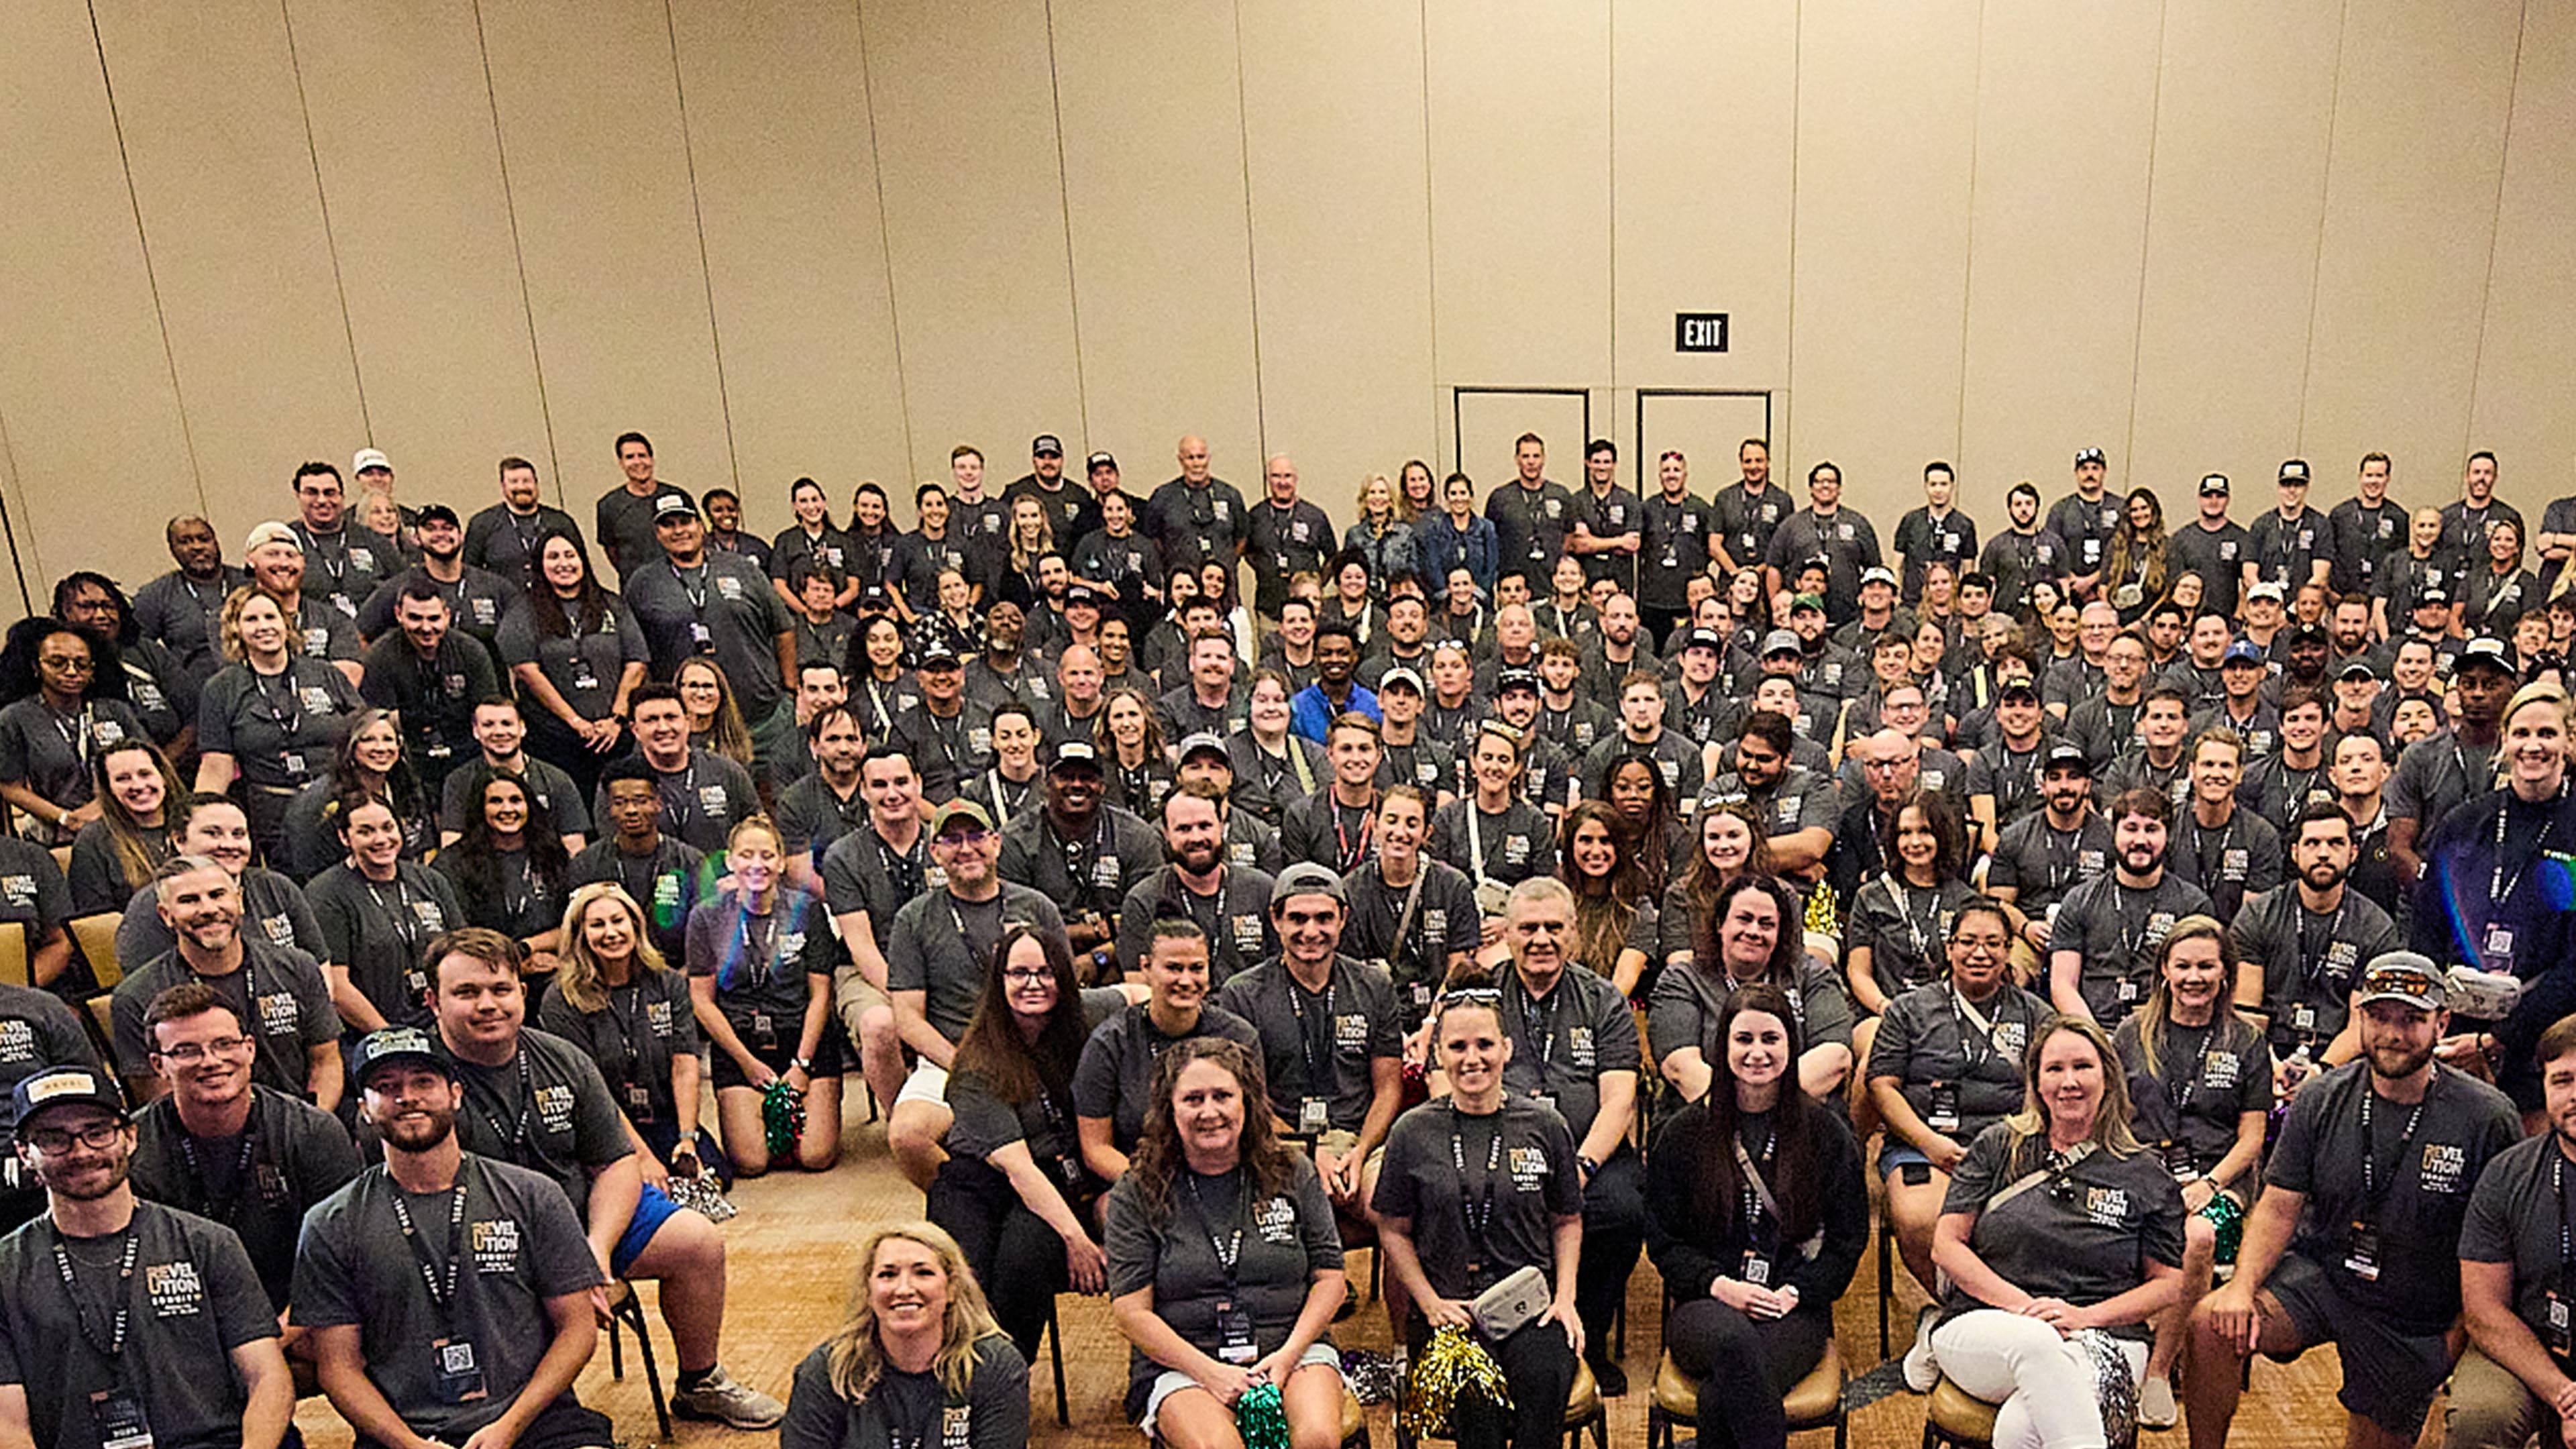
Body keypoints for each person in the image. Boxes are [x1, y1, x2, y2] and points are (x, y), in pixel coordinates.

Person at [429, 926, 785, 1427]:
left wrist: (595, 1252)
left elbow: (616, 1163)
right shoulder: (419, 1079)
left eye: (500, 989)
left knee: (698, 1242)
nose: (488, 1005)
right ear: (434, 1001)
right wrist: (559, 1269)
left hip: (583, 1220)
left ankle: (700, 1382)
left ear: (522, 993)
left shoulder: (562, 1060)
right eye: (467, 992)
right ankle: (524, 1412)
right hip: (482, 1240)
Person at [2184, 953, 2520, 1449]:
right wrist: (2241, 1286)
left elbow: (2498, 1249)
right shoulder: (2321, 1098)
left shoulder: (2488, 1118)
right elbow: (2278, 1206)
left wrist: (2455, 1338)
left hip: (2415, 1311)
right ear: (2360, 1017)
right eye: (2380, 1017)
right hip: (2325, 1278)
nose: (2393, 1034)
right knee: (2211, 1325)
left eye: (2411, 1019)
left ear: (2442, 1023)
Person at [293, 1026, 612, 1449]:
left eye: (424, 1082)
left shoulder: (533, 1195)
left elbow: (577, 1330)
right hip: (402, 1432)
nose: (408, 1097)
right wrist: (411, 1445)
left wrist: (509, 1426)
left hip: (535, 1419)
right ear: (364, 1109)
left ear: (456, 1094)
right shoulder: (330, 1223)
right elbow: (339, 1369)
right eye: (386, 1087)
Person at [1911, 1016, 2186, 1448]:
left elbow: (2168, 1284)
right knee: (2036, 1345)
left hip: (2105, 1337)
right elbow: (1946, 1247)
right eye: (2055, 1069)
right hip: (1987, 1324)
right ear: (2037, 1083)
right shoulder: (1998, 1146)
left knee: (2020, 1429)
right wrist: (2028, 1310)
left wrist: (2085, 1318)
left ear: (2108, 1078)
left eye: (2083, 1067)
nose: (2069, 1082)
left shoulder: (2146, 1174)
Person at [0, 1062, 293, 1449]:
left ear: (130, 1137)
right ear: (25, 1153)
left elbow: (268, 1379)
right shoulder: (7, 1269)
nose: (81, 1152)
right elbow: (7, 1424)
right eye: (54, 1139)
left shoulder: (209, 1243)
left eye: (97, 1132)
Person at [1647, 982, 1868, 1449]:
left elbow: (1847, 1242)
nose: (1757, 1053)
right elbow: (1664, 1242)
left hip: (1793, 1307)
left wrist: (1796, 1292)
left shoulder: (1826, 1133)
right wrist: (1719, 1285)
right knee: (1733, 1345)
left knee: (1719, 1397)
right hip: (1705, 1305)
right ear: (1722, 1046)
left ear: (1791, 1046)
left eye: (1771, 1039)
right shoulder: (1683, 1133)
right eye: (1743, 1039)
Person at [1373, 977, 1585, 1449]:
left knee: (1542, 1387)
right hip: (1449, 1313)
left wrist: (1566, 1298)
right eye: (1458, 1047)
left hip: (1530, 1308)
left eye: (1485, 1044)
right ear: (1438, 1056)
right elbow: (1392, 1229)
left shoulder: (1546, 1125)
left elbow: (1567, 1219)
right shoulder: (1412, 1132)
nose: (1473, 1059)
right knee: (1478, 1401)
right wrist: (1429, 1303)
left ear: (1507, 1049)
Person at [1103, 1035, 1348, 1442]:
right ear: (1169, 1109)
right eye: (1193, 1099)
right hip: (1185, 1362)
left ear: (1246, 1102)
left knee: (1317, 1438)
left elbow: (1331, 1279)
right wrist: (1210, 1373)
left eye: (1222, 1096)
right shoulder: (1137, 1189)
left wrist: (1287, 1357)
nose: (1209, 1112)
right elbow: (1131, 1313)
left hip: (1292, 1347)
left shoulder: (1293, 1171)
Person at [928, 926, 1126, 1362]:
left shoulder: (1085, 1017)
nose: (1033, 984)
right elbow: (1018, 1168)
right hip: (982, 1180)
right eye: (1019, 973)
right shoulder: (977, 1061)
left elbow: (1138, 994)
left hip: (1057, 1178)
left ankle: (1005, 1373)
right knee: (962, 1271)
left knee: (1025, 1256)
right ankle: (956, 1371)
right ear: (999, 982)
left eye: (1045, 972)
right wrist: (1078, 1240)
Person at [2100, 918, 2269, 1426]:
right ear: (2165, 972)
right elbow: (2110, 1117)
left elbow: (2253, 1138)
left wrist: (2210, 1184)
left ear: (2225, 974)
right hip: (2141, 1171)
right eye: (2184, 966)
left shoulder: (2247, 1041)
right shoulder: (2131, 1033)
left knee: (2199, 1236)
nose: (2194, 977)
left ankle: (2158, 1368)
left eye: (2206, 966)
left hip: (2221, 1177)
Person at [1486, 876, 1644, 1394]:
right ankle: (1512, 1335)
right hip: (1497, 1154)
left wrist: (1581, 1168)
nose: (1541, 940)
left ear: (1574, 933)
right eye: (1528, 928)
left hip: (1586, 1153)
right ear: (1507, 934)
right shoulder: (1480, 995)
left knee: (1623, 1210)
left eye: (1554, 928)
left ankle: (1588, 1338)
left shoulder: (1604, 1000)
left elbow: (1619, 1100)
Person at [1868, 898, 2052, 1329]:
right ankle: (1963, 1315)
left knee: (2029, 1219)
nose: (1979, 953)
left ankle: (1982, 1318)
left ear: (2008, 950)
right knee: (1919, 1219)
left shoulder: (2035, 1013)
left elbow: (2044, 1088)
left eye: (1993, 943)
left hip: (2011, 1146)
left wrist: (2016, 1142)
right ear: (1949, 948)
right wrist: (1929, 1142)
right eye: (1968, 941)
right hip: (1924, 1145)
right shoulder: (1908, 1010)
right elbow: (1882, 1086)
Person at [128, 981, 360, 1315]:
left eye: (224, 1044)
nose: (211, 1061)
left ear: (250, 1048)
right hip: (184, 1318)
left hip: (299, 1315)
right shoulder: (132, 1149)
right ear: (158, 1065)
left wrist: (274, 1339)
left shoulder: (313, 1133)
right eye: (186, 1051)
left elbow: (340, 1267)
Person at [2409, 680, 2576, 1114]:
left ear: (2569, 741)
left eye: (2547, 733)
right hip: (2454, 1035)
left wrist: (2499, 1039)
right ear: (2505, 740)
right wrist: (2436, 1021)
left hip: (2547, 1040)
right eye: (2521, 733)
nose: (2533, 746)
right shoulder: (2464, 824)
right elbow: (2426, 930)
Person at [885, 800, 1069, 1187]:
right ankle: (972, 1197)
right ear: (935, 852)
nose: (966, 848)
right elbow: (908, 1019)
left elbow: (1066, 994)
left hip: (1033, 1052)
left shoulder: (1038, 908)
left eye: (976, 836)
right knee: (907, 1135)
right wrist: (967, 1068)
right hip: (953, 1058)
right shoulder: (914, 919)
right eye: (952, 840)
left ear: (996, 843)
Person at [1216, 863, 1402, 1227]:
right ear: (1276, 920)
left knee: (1393, 1209)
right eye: (1298, 919)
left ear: (1343, 918)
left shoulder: (1374, 986)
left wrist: (1360, 1152)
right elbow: (1247, 1099)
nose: (1311, 932)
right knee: (1281, 1213)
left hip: (1360, 1142)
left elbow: (1388, 1087)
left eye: (1324, 918)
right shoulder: (1242, 994)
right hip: (1278, 1143)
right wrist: (1309, 1154)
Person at [110, 852, 341, 1105]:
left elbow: (326, 1064)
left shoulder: (298, 967)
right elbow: (160, 1100)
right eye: (189, 900)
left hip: (298, 1118)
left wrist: (313, 1122)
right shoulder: (136, 996)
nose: (209, 909)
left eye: (218, 895)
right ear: (166, 915)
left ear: (239, 901)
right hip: (204, 1124)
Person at [780, 1221, 1032, 1449]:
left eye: (923, 1273)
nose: (904, 1289)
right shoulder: (826, 1372)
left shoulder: (996, 1367)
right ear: (868, 1291)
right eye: (888, 1275)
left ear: (952, 1289)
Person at [688, 816, 842, 1175]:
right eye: (746, 855)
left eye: (767, 855)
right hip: (740, 1042)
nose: (757, 864)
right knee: (751, 1162)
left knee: (816, 1157)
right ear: (730, 861)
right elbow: (702, 1000)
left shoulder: (808, 910)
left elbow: (821, 994)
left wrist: (802, 1064)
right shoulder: (706, 917)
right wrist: (747, 1063)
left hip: (802, 1038)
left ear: (782, 862)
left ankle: (804, 1111)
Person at [2453, 1015, 2576, 1448]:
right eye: (2563, 1080)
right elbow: (2484, 1310)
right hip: (2528, 1348)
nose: (2575, 1095)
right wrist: (2564, 1395)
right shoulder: (2507, 1174)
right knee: (2479, 1417)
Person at [543, 881, 712, 1185]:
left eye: (618, 921)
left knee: (708, 1177)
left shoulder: (669, 983)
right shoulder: (562, 999)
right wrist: (641, 1157)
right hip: (602, 1126)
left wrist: (687, 1139)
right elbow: (589, 1089)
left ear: (635, 925)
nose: (611, 933)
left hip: (661, 1116)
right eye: (597, 925)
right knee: (640, 1192)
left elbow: (685, 1064)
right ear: (580, 935)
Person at [624, 494, 798, 785]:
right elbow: (636, 654)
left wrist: (790, 689)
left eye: (685, 521)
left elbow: (783, 629)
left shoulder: (743, 569)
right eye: (668, 525)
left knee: (775, 802)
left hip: (761, 720)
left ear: (701, 525)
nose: (679, 531)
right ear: (657, 533)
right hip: (690, 731)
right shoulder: (643, 584)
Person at [1077, 918, 1263, 1187]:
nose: (1186, 980)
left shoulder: (1239, 1037)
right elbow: (1096, 1149)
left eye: (1196, 968)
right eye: (1174, 968)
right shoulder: (1110, 1043)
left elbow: (1255, 1131)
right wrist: (1156, 1190)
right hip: (1140, 1182)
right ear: (1146, 967)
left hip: (1225, 1180)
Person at [2229, 801, 2403, 1085]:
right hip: (2265, 1052)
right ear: (2295, 853)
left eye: (2336, 843)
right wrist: (2269, 1066)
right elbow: (2246, 1011)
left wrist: (2319, 1072)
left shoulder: (2376, 927)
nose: (2323, 853)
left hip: (2339, 1061)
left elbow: (2361, 1026)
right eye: (2312, 843)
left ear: (2353, 853)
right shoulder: (2258, 915)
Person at [192, 586, 365, 859]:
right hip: (272, 814)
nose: (264, 627)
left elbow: (365, 735)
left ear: (286, 623)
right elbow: (216, 766)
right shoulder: (221, 688)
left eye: (270, 617)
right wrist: (198, 822)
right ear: (236, 630)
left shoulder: (325, 674)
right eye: (251, 620)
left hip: (336, 803)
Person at [1653, 873, 1854, 1104]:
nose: (1754, 931)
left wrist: (1767, 1110)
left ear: (1780, 932)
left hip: (1801, 1111)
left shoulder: (1812, 975)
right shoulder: (1682, 980)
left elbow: (1835, 1057)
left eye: (1767, 924)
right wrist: (1740, 1113)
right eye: (1744, 919)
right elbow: (1681, 1068)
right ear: (1720, 924)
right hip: (1705, 1113)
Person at [498, 525, 648, 798]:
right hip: (554, 738)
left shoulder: (612, 604)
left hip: (614, 734)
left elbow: (636, 661)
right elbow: (526, 670)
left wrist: (616, 718)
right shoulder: (523, 610)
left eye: (570, 555)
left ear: (583, 559)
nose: (563, 564)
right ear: (540, 565)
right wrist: (576, 722)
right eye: (553, 557)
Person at [2047, 787, 2213, 1026]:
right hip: (2093, 1028)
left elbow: (2197, 986)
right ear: (2114, 832)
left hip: (2162, 1029)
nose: (2140, 840)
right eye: (2131, 829)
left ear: (2168, 836)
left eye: (2152, 829)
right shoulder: (2079, 900)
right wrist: (2094, 1037)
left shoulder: (2193, 905)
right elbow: (2063, 985)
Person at [306, 792, 466, 1032]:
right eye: (366, 832)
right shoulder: (326, 893)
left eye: (388, 828)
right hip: (372, 1034)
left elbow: (463, 953)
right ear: (344, 837)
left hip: (442, 1023)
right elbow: (337, 986)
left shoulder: (430, 880)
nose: (381, 839)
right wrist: (392, 1038)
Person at [112, 790, 325, 971]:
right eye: (213, 834)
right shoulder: (150, 906)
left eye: (239, 834)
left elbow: (319, 966)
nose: (229, 844)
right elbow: (147, 991)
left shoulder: (276, 887)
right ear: (179, 841)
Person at [0, 618, 148, 849]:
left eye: (82, 664)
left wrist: (103, 806)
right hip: (61, 833)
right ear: (37, 667)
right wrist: (65, 818)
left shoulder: (114, 710)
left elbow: (152, 763)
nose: (71, 672)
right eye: (57, 663)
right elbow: (9, 786)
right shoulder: (15, 718)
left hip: (129, 819)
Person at [1116, 782, 1281, 985]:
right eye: (1183, 829)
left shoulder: (1262, 890)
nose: (1196, 837)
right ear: (1166, 833)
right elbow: (1138, 985)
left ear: (1222, 826)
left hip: (1252, 1005)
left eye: (1205, 826)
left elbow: (1282, 972)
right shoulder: (1143, 900)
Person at [434, 770, 574, 993]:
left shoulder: (553, 855)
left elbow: (572, 922)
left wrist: (527, 947)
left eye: (516, 800)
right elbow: (458, 935)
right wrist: (512, 965)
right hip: (481, 977)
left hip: (550, 973)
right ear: (481, 808)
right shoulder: (453, 862)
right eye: (496, 801)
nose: (507, 809)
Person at [568, 751, 708, 967]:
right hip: (605, 972)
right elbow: (575, 936)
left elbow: (707, 938)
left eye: (641, 801)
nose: (631, 810)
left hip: (677, 972)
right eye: (620, 803)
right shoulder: (587, 864)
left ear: (658, 803)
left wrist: (680, 981)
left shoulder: (690, 862)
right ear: (609, 809)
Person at [276, 707, 437, 880]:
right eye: (368, 740)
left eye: (388, 739)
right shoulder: (318, 802)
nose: (381, 748)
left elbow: (422, 849)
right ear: (350, 747)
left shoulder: (408, 788)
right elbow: (307, 867)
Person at [610, 682, 759, 854]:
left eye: (671, 718)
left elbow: (756, 831)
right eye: (651, 720)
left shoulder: (727, 772)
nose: (663, 728)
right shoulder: (618, 782)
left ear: (687, 722)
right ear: (636, 730)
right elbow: (611, 847)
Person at [133, 514, 252, 688]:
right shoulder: (156, 595)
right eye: (185, 542)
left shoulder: (249, 584)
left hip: (253, 688)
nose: (197, 547)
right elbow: (137, 649)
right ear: (172, 550)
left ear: (216, 542)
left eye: (204, 539)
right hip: (196, 693)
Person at [66, 737, 176, 914]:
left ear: (163, 776)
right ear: (108, 788)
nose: (138, 785)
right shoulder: (94, 839)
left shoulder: (195, 821)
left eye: (145, 774)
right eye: (123, 779)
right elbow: (97, 918)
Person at [463, 454, 584, 590]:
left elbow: (582, 566)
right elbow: (470, 574)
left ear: (536, 484)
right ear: (503, 486)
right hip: (504, 601)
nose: (521, 487)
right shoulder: (482, 524)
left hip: (555, 599)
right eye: (514, 482)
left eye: (527, 481)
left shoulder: (560, 521)